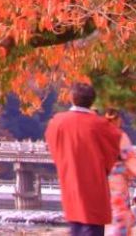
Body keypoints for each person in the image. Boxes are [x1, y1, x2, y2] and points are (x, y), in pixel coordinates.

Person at [45, 83, 122, 236]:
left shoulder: (58, 122)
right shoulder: (101, 125)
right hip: (95, 184)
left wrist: (65, 163)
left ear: (71, 98)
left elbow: (53, 147)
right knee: (92, 227)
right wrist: (103, 169)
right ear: (92, 101)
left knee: (75, 226)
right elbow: (114, 149)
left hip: (70, 181)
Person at [102, 109, 136, 236]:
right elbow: (129, 156)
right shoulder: (119, 135)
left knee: (108, 210)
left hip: (102, 177)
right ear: (116, 119)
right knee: (119, 210)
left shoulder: (99, 135)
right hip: (117, 178)